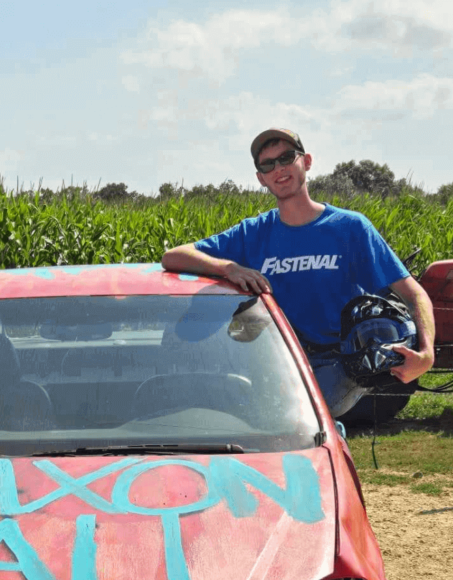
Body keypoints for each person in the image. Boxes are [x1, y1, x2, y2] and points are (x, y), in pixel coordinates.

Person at [161, 129, 435, 409]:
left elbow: (414, 294)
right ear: (261, 178)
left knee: (299, 416)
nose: (278, 169)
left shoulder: (350, 228)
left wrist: (426, 355)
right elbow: (173, 256)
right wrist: (229, 267)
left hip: (337, 364)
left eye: (286, 158)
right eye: (267, 165)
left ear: (306, 161)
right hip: (275, 359)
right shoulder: (252, 233)